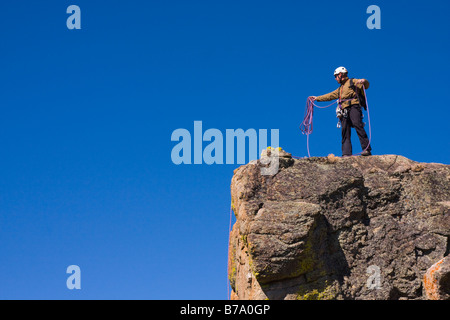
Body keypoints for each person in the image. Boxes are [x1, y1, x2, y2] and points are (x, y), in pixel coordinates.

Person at [310, 67, 372, 157]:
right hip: (344, 110)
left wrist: (363, 81)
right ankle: (346, 153)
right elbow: (330, 95)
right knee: (345, 131)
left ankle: (366, 149)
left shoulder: (353, 81)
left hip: (354, 106)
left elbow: (366, 85)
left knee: (357, 125)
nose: (335, 79)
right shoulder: (340, 89)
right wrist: (317, 98)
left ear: (340, 75)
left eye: (336, 76)